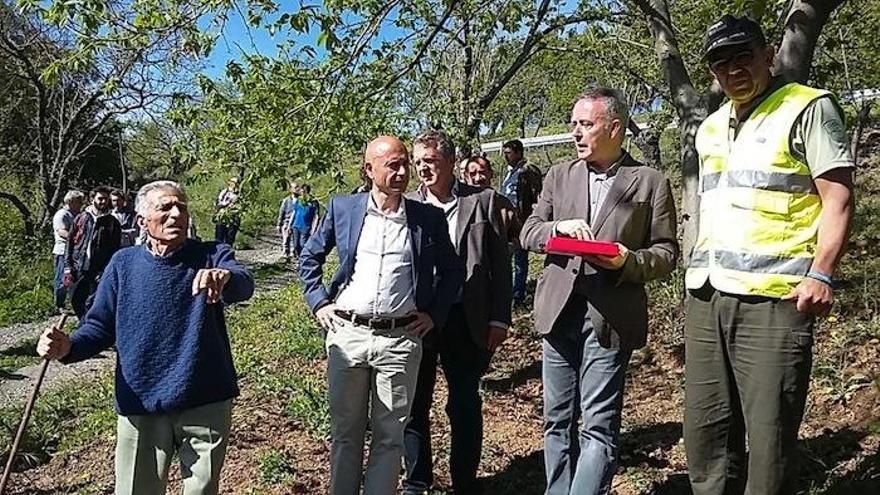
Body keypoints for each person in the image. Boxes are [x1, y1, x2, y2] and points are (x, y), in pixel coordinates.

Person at [683, 15, 855, 495]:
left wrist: (822, 272)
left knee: (769, 439)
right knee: (705, 437)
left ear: (766, 55)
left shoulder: (808, 107)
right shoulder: (711, 127)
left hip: (775, 302)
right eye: (721, 61)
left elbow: (838, 198)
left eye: (743, 55)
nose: (733, 69)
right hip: (707, 296)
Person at [38, 180, 254, 495]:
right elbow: (99, 326)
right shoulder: (123, 264)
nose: (176, 214)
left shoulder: (211, 254)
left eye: (181, 207)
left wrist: (226, 278)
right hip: (140, 398)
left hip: (205, 397)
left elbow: (243, 283)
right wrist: (67, 346)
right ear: (142, 221)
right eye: (165, 207)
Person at [520, 88, 678, 495]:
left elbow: (666, 252)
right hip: (558, 312)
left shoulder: (649, 182)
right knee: (556, 419)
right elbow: (528, 231)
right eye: (574, 124)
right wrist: (557, 229)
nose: (575, 132)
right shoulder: (559, 175)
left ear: (615, 127)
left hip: (610, 316)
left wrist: (628, 261)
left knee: (598, 424)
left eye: (585, 124)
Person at [299, 136, 464, 495]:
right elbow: (309, 257)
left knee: (390, 437)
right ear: (369, 169)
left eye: (405, 163)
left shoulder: (427, 217)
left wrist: (433, 314)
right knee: (346, 434)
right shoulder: (344, 208)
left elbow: (453, 271)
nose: (403, 172)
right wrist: (318, 302)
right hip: (348, 335)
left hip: (400, 340)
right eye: (393, 165)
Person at [404, 130, 511, 494]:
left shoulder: (483, 201)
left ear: (451, 162)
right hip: (419, 320)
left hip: (467, 319)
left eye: (429, 161)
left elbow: (501, 262)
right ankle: (418, 482)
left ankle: (465, 482)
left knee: (464, 403)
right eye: (417, 162)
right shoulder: (407, 206)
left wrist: (500, 318)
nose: (422, 169)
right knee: (415, 407)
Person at [65, 186, 122, 318]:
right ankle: (83, 322)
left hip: (98, 268)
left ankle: (88, 328)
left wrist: (106, 269)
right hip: (79, 265)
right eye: (100, 198)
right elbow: (71, 242)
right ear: (92, 199)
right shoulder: (81, 218)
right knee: (75, 299)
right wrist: (68, 266)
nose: (103, 202)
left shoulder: (112, 222)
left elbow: (114, 248)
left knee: (93, 301)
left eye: (106, 199)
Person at [499, 139, 542, 305]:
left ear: (518, 152)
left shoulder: (528, 171)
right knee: (505, 258)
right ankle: (506, 291)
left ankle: (518, 294)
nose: (505, 156)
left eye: (508, 153)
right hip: (507, 222)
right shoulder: (509, 172)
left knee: (520, 258)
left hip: (522, 222)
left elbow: (536, 195)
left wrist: (534, 219)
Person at [465, 154, 522, 244]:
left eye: (482, 172)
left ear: (490, 173)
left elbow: (516, 236)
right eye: (473, 174)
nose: (477, 178)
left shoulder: (502, 203)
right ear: (466, 176)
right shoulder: (460, 203)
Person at [51, 190, 85, 311]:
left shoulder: (78, 214)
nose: (81, 203)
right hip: (62, 251)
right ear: (71, 202)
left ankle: (74, 302)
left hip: (76, 252)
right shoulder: (62, 215)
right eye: (79, 201)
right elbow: (61, 231)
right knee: (62, 279)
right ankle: (59, 305)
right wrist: (78, 238)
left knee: (75, 279)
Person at [290, 184, 321, 259]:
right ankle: (300, 257)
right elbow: (294, 212)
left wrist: (314, 228)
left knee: (303, 244)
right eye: (301, 191)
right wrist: (289, 225)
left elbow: (316, 216)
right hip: (296, 226)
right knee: (296, 245)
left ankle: (303, 260)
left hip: (306, 227)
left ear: (308, 191)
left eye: (304, 191)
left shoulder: (313, 202)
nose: (302, 192)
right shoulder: (299, 200)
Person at [214, 177, 241, 246]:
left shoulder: (239, 194)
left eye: (235, 182)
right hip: (221, 216)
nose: (233, 184)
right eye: (232, 182)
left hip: (233, 218)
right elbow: (218, 203)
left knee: (229, 239)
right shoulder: (224, 192)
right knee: (219, 238)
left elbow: (238, 206)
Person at [277, 181, 300, 259]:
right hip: (287, 222)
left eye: (298, 187)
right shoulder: (286, 200)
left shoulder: (301, 200)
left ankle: (295, 254)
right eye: (295, 187)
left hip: (297, 222)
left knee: (296, 241)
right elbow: (281, 212)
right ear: (291, 189)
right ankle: (285, 254)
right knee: (286, 239)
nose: (297, 189)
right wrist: (279, 224)